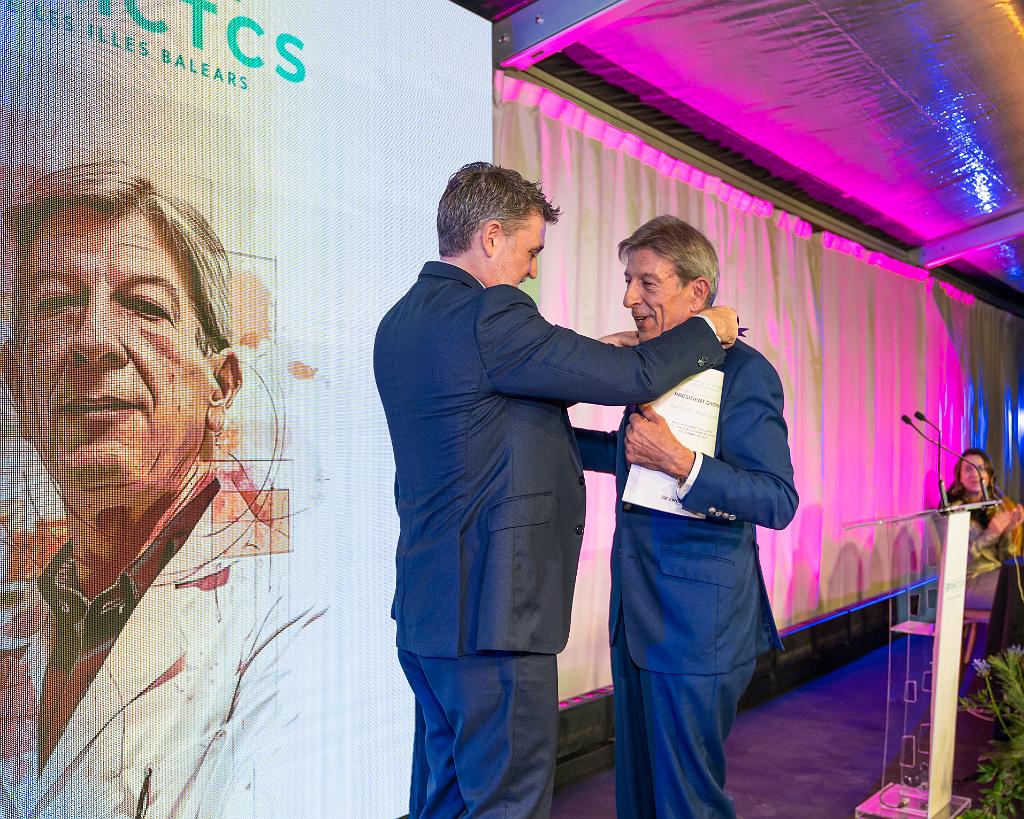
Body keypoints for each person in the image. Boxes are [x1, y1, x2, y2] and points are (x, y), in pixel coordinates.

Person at [374, 164, 740, 818]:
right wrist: (710, 329)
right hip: (493, 622)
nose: (532, 270)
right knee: (508, 804)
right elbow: (633, 377)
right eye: (530, 250)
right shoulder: (493, 313)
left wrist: (590, 353)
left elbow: (487, 403)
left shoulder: (400, 322)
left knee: (444, 802)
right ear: (492, 237)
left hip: (428, 619)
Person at [0, 161, 320, 817]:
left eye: (146, 307)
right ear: (16, 381)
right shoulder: (29, 616)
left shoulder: (291, 616)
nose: (94, 341)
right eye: (55, 306)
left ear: (221, 385)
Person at [574, 215, 798, 819]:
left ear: (696, 293)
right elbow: (630, 457)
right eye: (628, 281)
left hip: (699, 628)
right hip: (636, 617)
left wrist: (682, 462)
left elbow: (777, 499)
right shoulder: (652, 363)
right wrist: (540, 431)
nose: (629, 299)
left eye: (646, 283)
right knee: (640, 799)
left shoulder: (748, 374)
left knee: (687, 805)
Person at [947, 448, 1024, 609]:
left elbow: (1006, 557)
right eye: (968, 469)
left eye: (980, 468)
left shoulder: (996, 506)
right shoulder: (952, 511)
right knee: (1017, 592)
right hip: (966, 582)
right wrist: (990, 534)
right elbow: (956, 562)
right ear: (959, 477)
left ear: (989, 476)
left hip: (997, 572)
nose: (975, 474)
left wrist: (1009, 530)